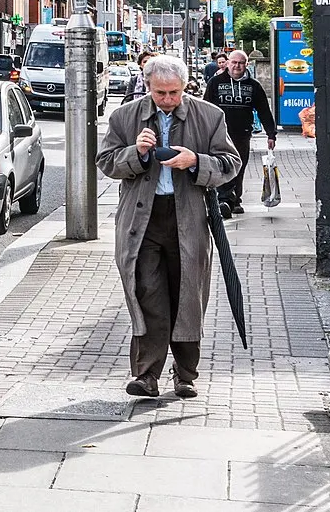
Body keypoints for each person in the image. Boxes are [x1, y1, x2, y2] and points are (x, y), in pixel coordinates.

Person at [97, 54, 240, 400]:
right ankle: (146, 375)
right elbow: (105, 162)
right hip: (141, 221)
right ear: (147, 87)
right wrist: (138, 154)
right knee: (148, 294)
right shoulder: (124, 116)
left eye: (174, 93)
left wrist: (196, 161)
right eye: (160, 93)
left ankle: (186, 374)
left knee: (187, 294)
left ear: (184, 87)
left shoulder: (209, 116)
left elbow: (231, 162)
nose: (168, 100)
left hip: (188, 218)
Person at [209, 48, 278, 217]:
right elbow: (205, 107)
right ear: (227, 64)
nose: (237, 66)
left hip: (242, 133)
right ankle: (224, 199)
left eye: (241, 63)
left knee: (239, 166)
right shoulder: (215, 82)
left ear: (246, 65)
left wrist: (271, 134)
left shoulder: (253, 86)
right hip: (219, 133)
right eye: (234, 62)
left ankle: (234, 200)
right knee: (221, 164)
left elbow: (264, 110)